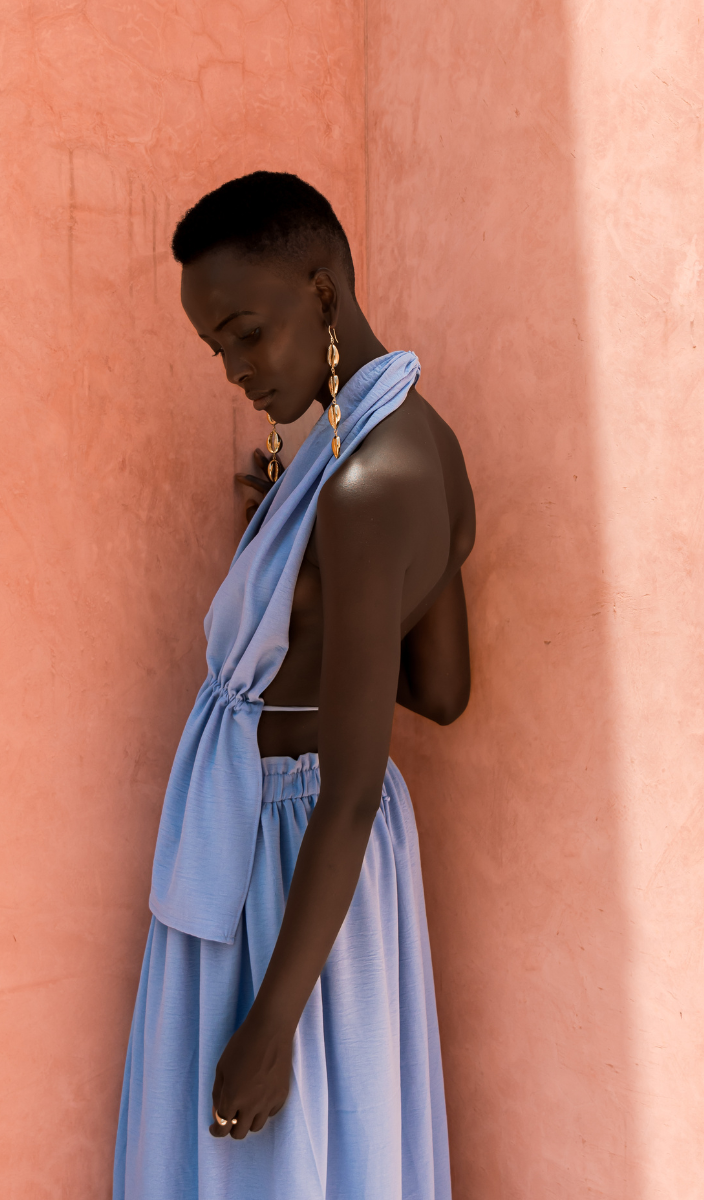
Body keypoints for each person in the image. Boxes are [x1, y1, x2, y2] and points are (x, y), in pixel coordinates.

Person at [113, 171, 475, 1200]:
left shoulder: (365, 483)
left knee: (274, 1160)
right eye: (215, 348)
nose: (234, 368)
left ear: (320, 290)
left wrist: (272, 1025)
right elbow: (440, 685)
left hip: (293, 861)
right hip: (295, 850)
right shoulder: (408, 443)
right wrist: (299, 592)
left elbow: (357, 780)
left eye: (244, 331)